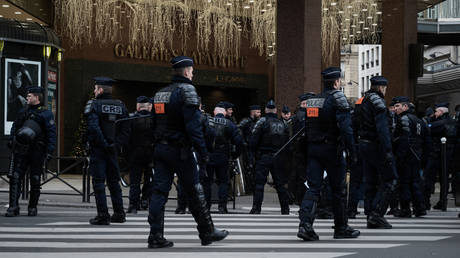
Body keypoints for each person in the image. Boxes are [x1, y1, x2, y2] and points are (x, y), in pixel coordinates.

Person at [149, 56, 228, 248]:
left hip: (161, 149)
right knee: (194, 189)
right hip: (180, 150)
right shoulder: (188, 91)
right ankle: (207, 231)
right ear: (186, 72)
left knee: (159, 192)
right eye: (192, 71)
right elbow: (194, 128)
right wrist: (203, 153)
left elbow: (153, 123)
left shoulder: (160, 93)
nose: (193, 74)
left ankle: (155, 236)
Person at [297, 67, 359, 241]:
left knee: (313, 188)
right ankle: (341, 227)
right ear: (336, 82)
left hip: (314, 149)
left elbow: (308, 127)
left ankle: (305, 225)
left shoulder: (313, 101)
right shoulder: (338, 97)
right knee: (338, 190)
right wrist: (352, 151)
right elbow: (346, 129)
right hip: (332, 150)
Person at [84, 77, 129, 225]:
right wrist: (115, 145)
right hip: (113, 151)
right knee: (114, 182)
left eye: (96, 88)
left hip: (99, 150)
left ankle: (103, 215)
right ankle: (119, 213)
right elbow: (126, 129)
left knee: (98, 182)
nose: (94, 91)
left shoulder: (94, 105)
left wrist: (104, 144)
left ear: (101, 90)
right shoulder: (121, 106)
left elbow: (93, 128)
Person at [5, 87, 56, 217]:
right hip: (21, 150)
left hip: (37, 151)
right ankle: (13, 206)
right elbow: (15, 127)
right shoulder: (23, 111)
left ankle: (32, 207)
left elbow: (51, 134)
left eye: (29, 96)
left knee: (35, 179)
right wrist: (12, 140)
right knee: (15, 178)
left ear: (37, 97)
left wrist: (49, 151)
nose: (27, 98)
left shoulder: (46, 114)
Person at [356, 75, 398, 229]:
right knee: (390, 179)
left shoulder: (362, 100)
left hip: (363, 144)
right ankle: (377, 214)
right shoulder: (378, 102)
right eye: (385, 88)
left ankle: (370, 213)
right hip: (376, 145)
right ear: (381, 87)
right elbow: (383, 129)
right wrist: (387, 150)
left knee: (370, 181)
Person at [249, 100, 290, 215]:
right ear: (276, 111)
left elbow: (253, 140)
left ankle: (256, 208)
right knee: (280, 184)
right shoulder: (283, 124)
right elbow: (288, 143)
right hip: (278, 157)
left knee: (259, 184)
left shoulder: (262, 121)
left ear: (266, 110)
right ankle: (285, 209)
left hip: (264, 156)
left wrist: (252, 155)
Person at [205, 103, 243, 213]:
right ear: (224, 113)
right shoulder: (229, 124)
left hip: (209, 155)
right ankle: (222, 206)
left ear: (214, 112)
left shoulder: (208, 122)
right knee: (223, 181)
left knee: (207, 181)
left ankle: (206, 206)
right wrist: (235, 154)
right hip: (223, 156)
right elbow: (239, 141)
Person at [392, 96, 427, 217]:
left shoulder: (404, 119)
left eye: (398, 106)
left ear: (405, 106)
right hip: (417, 155)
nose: (395, 108)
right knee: (415, 182)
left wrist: (399, 156)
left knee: (405, 183)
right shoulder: (419, 120)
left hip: (407, 155)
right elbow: (425, 140)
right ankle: (420, 208)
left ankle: (405, 209)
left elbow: (404, 140)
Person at [425, 103, 457, 210]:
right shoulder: (453, 122)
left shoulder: (437, 123)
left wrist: (431, 121)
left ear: (441, 112)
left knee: (429, 177)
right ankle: (443, 201)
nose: (435, 113)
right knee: (445, 179)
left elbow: (428, 131)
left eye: (436, 111)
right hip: (449, 155)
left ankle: (426, 201)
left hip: (436, 153)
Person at [127, 96, 155, 214]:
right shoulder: (154, 119)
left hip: (135, 153)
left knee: (135, 181)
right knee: (149, 179)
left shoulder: (130, 119)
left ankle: (133, 205)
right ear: (149, 106)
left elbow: (127, 138)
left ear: (138, 106)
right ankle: (145, 200)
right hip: (151, 153)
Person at [289, 93, 315, 205]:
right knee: (302, 176)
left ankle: (297, 197)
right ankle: (301, 198)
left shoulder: (297, 115)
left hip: (299, 150)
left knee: (299, 175)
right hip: (303, 150)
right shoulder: (302, 115)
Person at [238, 105, 261, 193]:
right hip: (248, 148)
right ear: (252, 112)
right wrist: (243, 141)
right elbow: (238, 129)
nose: (259, 114)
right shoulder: (246, 121)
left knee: (256, 168)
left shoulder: (259, 121)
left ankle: (254, 187)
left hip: (257, 148)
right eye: (258, 112)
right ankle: (249, 188)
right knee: (249, 167)